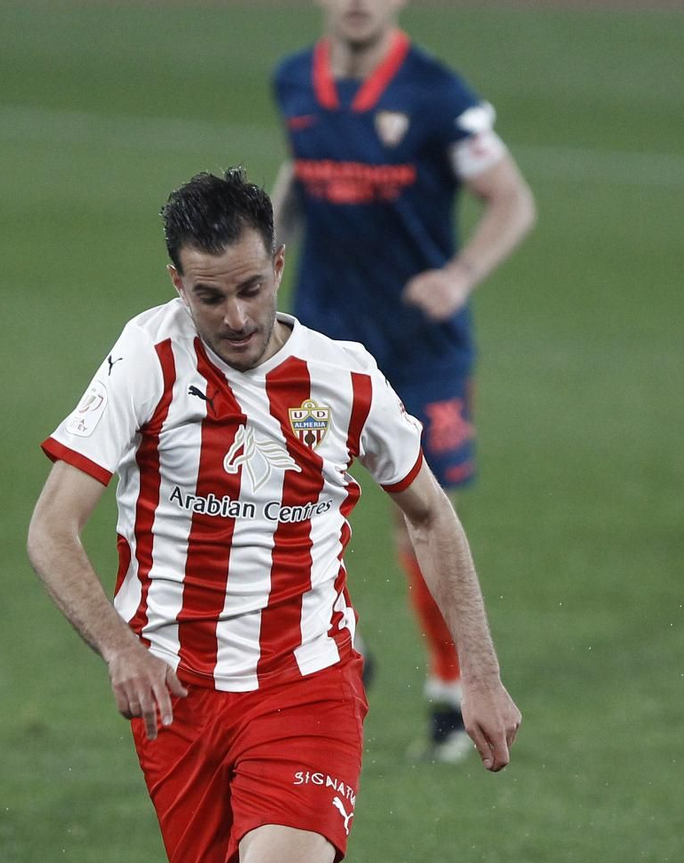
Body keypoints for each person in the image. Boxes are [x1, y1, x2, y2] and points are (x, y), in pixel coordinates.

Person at [27, 168, 519, 863]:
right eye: (210, 297)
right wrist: (116, 643)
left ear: (278, 266)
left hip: (305, 689)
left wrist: (478, 674)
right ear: (176, 285)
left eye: (250, 288)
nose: (235, 318)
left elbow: (429, 515)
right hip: (174, 703)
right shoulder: (145, 360)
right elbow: (50, 528)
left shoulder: (343, 378)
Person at [270, 0, 534, 759]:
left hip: (421, 352)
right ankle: (335, 656)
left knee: (413, 510)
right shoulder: (294, 81)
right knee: (290, 499)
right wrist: (260, 272)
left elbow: (513, 199)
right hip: (321, 350)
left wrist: (460, 275)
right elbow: (296, 182)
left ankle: (451, 691)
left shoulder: (435, 94)